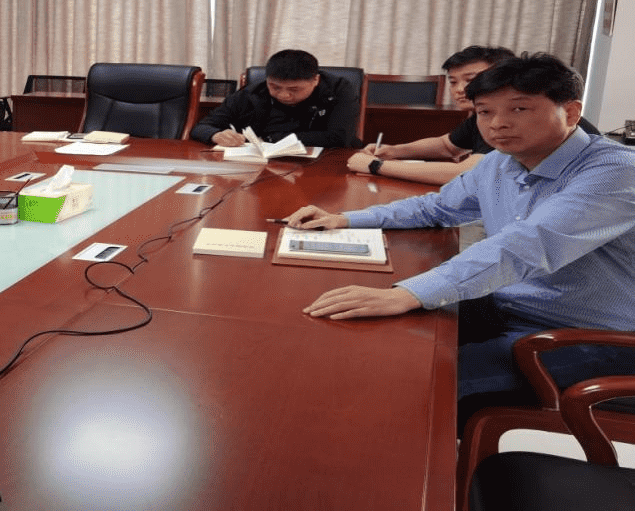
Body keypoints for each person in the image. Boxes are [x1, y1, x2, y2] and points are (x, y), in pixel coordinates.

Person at [286, 53, 635, 422]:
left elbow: (526, 247)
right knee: (364, 342)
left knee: (418, 384)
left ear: (571, 112)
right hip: (506, 305)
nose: (498, 124)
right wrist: (346, 218)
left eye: (519, 109)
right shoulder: (501, 161)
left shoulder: (615, 171)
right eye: (485, 112)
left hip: (589, 335)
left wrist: (406, 294)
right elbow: (437, 208)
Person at [348, 46, 603, 185]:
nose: (460, 89)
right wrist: (393, 151)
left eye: (471, 79)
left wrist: (377, 166)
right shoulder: (485, 115)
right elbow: (447, 146)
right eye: (453, 81)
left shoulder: (526, 129)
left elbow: (466, 174)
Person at [190, 49, 361, 148]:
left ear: (315, 80)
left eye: (294, 89)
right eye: (275, 87)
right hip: (262, 166)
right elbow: (202, 127)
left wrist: (271, 139)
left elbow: (340, 137)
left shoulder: (338, 90)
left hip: (324, 166)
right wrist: (215, 135)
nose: (283, 95)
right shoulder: (253, 92)